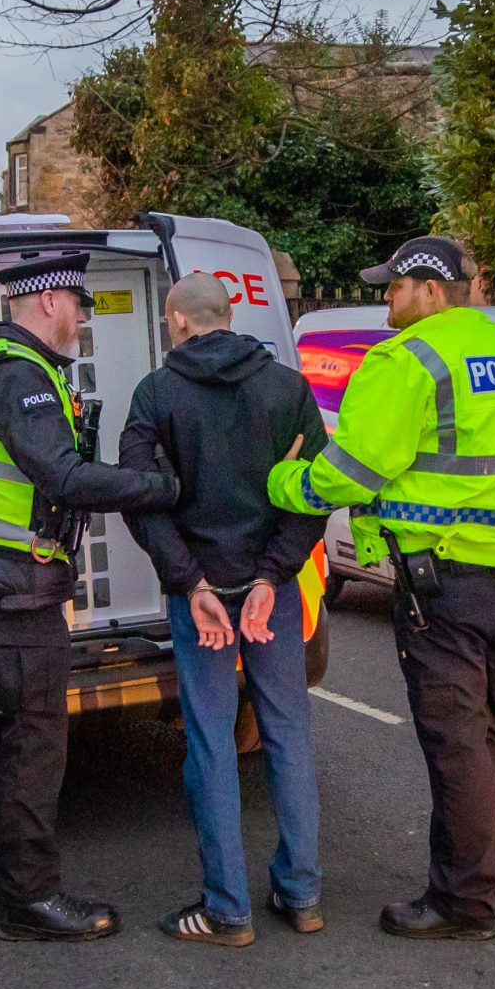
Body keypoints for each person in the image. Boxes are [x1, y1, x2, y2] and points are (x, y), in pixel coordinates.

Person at [266, 236, 495, 939]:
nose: (387, 299)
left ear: (433, 290)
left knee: (455, 742)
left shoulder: (408, 361)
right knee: (492, 736)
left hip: (442, 587)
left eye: (396, 286)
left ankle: (464, 900)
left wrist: (280, 481)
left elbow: (352, 469)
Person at [0, 252, 178, 941]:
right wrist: (158, 487)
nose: (81, 317)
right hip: (20, 589)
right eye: (79, 303)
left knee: (2, 733)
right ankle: (31, 898)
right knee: (35, 743)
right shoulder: (22, 378)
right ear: (48, 301)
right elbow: (65, 476)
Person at [119, 272, 332, 947]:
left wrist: (191, 583)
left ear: (176, 319)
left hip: (204, 600)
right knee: (288, 733)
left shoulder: (157, 393)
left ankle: (227, 909)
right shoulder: (286, 388)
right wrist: (274, 574)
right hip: (272, 594)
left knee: (211, 740)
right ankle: (301, 895)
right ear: (230, 314)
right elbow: (315, 493)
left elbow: (139, 495)